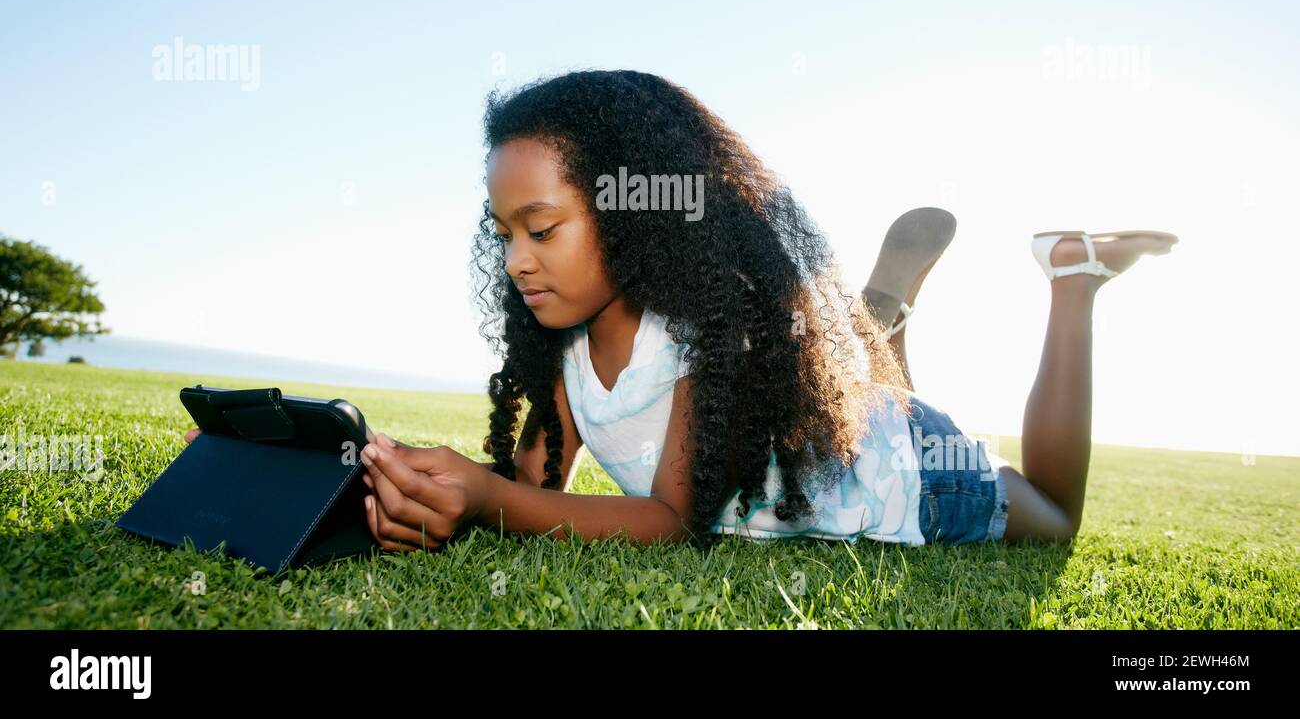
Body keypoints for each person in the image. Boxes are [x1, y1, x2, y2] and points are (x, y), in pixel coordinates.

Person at [184, 70, 1177, 552]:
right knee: (859, 382)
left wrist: (489, 502)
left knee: (1053, 516)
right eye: (504, 233)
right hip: (837, 419)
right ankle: (883, 320)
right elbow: (531, 486)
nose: (517, 259)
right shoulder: (564, 346)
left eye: (543, 227)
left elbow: (668, 520)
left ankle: (1072, 279)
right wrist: (388, 469)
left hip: (908, 473)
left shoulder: (711, 330)